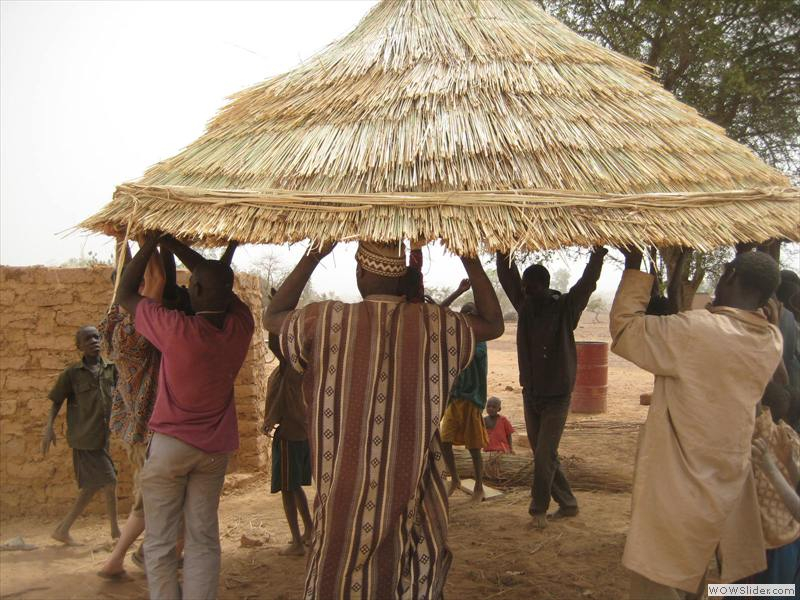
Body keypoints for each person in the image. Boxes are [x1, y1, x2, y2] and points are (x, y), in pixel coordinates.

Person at [263, 240, 504, 599]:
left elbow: (272, 317)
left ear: (360, 274)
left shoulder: (325, 320)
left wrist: (315, 254)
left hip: (343, 488)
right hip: (411, 483)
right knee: (410, 568)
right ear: (402, 277)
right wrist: (468, 256)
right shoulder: (435, 325)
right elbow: (493, 323)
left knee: (336, 571)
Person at [610, 248, 783, 599]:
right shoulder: (770, 340)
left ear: (730, 275)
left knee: (657, 576)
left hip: (678, 484)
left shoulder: (697, 332)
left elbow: (627, 330)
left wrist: (633, 268)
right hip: (724, 483)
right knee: (693, 573)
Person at [117, 233, 254, 600]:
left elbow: (125, 294)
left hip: (170, 449)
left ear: (191, 288)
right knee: (203, 539)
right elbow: (217, 282)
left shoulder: (175, 329)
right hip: (214, 453)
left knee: (160, 542)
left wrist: (153, 242)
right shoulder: (241, 327)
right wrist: (177, 250)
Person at [496, 247, 607, 528]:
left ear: (543, 286)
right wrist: (502, 249)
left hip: (557, 396)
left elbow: (586, 285)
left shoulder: (566, 309)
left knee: (544, 455)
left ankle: (538, 511)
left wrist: (597, 255)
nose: (525, 292)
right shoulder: (525, 305)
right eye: (524, 288)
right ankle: (568, 504)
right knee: (544, 454)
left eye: (530, 288)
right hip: (531, 393)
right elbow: (506, 277)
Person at [98, 235, 166, 578]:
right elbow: (158, 281)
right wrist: (151, 240)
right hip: (148, 427)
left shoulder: (113, 320)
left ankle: (137, 554)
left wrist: (129, 248)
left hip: (132, 428)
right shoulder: (136, 328)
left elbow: (138, 281)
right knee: (149, 500)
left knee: (152, 496)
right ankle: (117, 560)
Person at [43, 325, 120, 545]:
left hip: (102, 436)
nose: (94, 341)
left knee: (93, 486)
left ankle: (62, 529)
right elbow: (57, 400)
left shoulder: (111, 369)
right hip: (84, 438)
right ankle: (115, 533)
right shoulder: (72, 373)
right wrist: (48, 427)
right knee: (110, 480)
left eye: (96, 337)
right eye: (87, 339)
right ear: (79, 346)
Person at [261, 320, 313, 557]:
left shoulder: (287, 366)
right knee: (294, 488)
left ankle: (296, 542)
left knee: (287, 489)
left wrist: (275, 320)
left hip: (289, 436)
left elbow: (274, 346)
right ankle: (309, 530)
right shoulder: (303, 367)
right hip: (301, 434)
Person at [440, 302, 490, 502]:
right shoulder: (459, 340)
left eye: (471, 315)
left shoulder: (479, 341)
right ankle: (456, 479)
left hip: (472, 399)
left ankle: (479, 485)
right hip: (455, 397)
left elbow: (469, 356)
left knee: (474, 446)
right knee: (445, 441)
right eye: (465, 314)